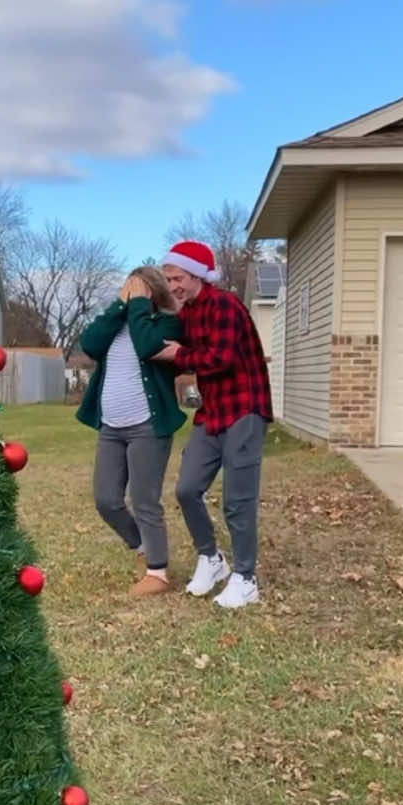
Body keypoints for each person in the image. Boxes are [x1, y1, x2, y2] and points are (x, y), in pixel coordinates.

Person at [153, 240, 273, 609]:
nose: (172, 286)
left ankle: (246, 578)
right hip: (213, 411)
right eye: (169, 279)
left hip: (245, 409)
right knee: (187, 489)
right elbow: (181, 347)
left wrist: (178, 354)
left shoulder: (225, 306)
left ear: (197, 275)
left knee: (238, 500)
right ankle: (212, 559)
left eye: (177, 278)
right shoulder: (188, 314)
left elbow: (218, 358)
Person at [77, 266, 186, 596]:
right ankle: (142, 545)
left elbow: (147, 346)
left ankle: (158, 572)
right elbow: (90, 344)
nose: (128, 293)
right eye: (126, 288)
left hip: (147, 427)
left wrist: (140, 304)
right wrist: (119, 307)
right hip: (112, 427)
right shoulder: (114, 325)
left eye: (135, 289)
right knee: (106, 499)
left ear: (150, 292)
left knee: (145, 500)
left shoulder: (165, 322)